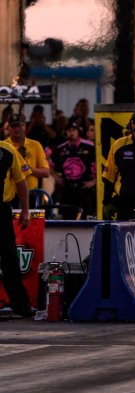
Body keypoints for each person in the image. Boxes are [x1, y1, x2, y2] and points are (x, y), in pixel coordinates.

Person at [0, 140, 34, 318]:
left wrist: (26, 211)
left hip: (2, 211)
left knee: (10, 257)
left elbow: (21, 181)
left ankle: (20, 305)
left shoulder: (7, 150)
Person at [52, 122, 97, 217]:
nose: (71, 133)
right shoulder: (60, 148)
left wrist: (94, 181)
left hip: (84, 187)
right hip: (67, 188)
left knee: (86, 217)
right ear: (66, 132)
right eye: (69, 130)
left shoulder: (90, 147)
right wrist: (56, 177)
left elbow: (101, 164)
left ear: (78, 131)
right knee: (67, 218)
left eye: (74, 130)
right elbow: (49, 164)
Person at [4, 113, 50, 191]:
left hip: (31, 193)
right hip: (9, 195)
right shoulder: (3, 146)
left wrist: (28, 169)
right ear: (9, 128)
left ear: (25, 126)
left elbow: (46, 172)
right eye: (14, 126)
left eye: (20, 126)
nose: (17, 129)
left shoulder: (36, 145)